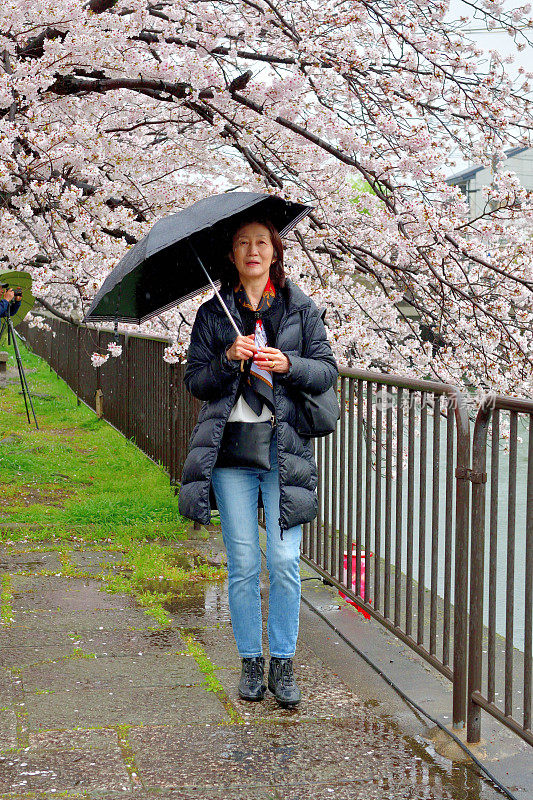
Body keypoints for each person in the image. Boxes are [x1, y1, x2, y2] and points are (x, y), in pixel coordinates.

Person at [179, 217, 338, 707]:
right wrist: (229, 358)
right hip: (230, 453)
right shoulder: (213, 315)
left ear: (275, 252)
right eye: (243, 243)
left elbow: (327, 369)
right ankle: (250, 662)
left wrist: (286, 365)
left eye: (262, 243)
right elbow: (196, 383)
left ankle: (283, 663)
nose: (253, 251)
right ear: (231, 255)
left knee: (286, 561)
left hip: (283, 450)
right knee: (245, 563)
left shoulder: (301, 310)